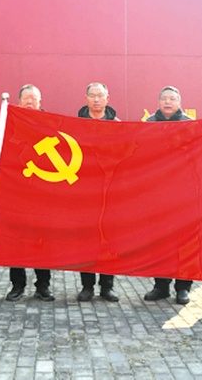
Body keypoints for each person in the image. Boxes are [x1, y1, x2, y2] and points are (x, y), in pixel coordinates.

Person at [142, 86, 194, 305]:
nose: (168, 102)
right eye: (164, 98)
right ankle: (161, 286)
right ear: (158, 102)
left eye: (172, 98)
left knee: (184, 242)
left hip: (183, 193)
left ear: (179, 102)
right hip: (157, 193)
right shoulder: (149, 125)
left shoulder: (191, 125)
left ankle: (183, 287)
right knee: (159, 241)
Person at [4, 85, 55, 302]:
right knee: (17, 241)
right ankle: (17, 285)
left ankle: (43, 285)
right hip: (17, 191)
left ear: (40, 102)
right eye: (26, 98)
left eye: (34, 98)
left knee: (42, 242)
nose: (30, 102)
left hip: (42, 193)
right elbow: (2, 151)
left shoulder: (51, 124)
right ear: (19, 101)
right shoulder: (10, 123)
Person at [75, 82, 120, 303]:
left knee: (109, 239)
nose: (96, 99)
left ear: (107, 98)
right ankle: (87, 286)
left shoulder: (118, 126)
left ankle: (107, 286)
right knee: (86, 240)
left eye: (100, 95)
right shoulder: (75, 125)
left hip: (110, 190)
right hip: (84, 191)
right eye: (92, 95)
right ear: (86, 98)